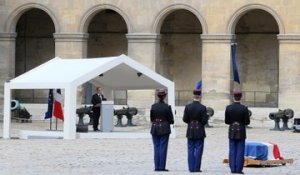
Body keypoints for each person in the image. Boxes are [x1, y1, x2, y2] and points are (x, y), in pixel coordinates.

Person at [225, 89, 250, 174]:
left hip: (232, 129)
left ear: (233, 97)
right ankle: (239, 169)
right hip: (241, 130)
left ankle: (232, 169)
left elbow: (227, 121)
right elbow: (247, 122)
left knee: (232, 150)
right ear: (241, 97)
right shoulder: (244, 108)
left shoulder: (228, 108)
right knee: (240, 150)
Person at [183, 89, 208, 173]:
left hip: (190, 128)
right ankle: (197, 168)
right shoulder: (203, 107)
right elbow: (204, 121)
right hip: (199, 129)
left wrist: (191, 122)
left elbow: (185, 119)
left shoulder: (188, 107)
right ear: (200, 96)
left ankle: (191, 168)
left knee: (190, 149)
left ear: (193, 96)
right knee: (199, 149)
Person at [150, 89, 174, 172]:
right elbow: (171, 121)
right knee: (163, 147)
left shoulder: (153, 106)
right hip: (164, 127)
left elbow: (152, 118)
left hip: (155, 127)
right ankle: (162, 167)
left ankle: (157, 167)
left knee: (156, 147)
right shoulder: (167, 107)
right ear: (165, 96)